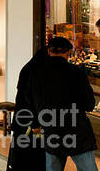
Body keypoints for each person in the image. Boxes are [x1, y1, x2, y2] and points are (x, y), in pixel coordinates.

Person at [31, 36, 97, 171]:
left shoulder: (37, 74)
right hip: (77, 131)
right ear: (67, 53)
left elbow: (33, 102)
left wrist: (36, 124)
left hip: (51, 129)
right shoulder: (76, 73)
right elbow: (89, 104)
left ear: (49, 51)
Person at [7, 47, 47, 171]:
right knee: (30, 156)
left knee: (20, 155)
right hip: (30, 123)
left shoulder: (28, 68)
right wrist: (35, 122)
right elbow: (30, 100)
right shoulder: (35, 72)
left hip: (23, 120)